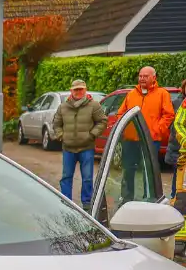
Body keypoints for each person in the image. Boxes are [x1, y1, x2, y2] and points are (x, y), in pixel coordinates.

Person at [117, 66, 175, 203]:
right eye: (140, 76)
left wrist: (155, 131)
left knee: (148, 171)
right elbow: (121, 113)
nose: (142, 78)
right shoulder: (131, 94)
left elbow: (169, 115)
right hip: (130, 139)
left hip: (150, 140)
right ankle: (126, 198)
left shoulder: (162, 94)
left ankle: (149, 199)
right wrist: (126, 130)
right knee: (128, 169)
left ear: (154, 78)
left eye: (145, 76)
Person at [52, 80, 107, 209]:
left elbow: (102, 121)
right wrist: (62, 136)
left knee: (87, 177)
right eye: (76, 89)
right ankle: (66, 203)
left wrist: (92, 135)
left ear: (85, 90)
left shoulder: (94, 106)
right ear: (71, 91)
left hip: (86, 148)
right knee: (66, 177)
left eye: (80, 89)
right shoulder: (63, 107)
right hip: (68, 148)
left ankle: (87, 204)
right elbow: (56, 124)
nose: (78, 92)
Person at [164, 78, 186, 200]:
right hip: (178, 147)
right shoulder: (178, 103)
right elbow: (174, 124)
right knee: (178, 176)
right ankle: (175, 199)